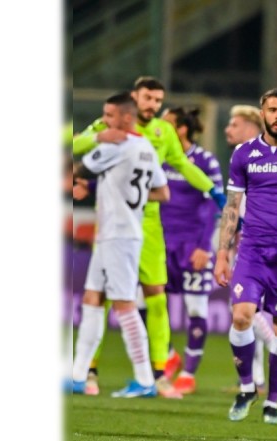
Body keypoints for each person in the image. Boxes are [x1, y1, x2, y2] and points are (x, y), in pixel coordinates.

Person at [73, 76, 227, 398]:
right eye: (147, 99)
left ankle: (156, 376)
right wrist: (102, 136)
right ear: (134, 97)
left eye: (158, 101)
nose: (153, 106)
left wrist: (211, 189)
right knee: (98, 299)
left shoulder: (161, 131)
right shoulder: (112, 124)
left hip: (149, 228)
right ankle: (89, 373)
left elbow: (181, 166)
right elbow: (79, 144)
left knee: (154, 298)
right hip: (115, 224)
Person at [213, 88, 277, 425]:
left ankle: (272, 402)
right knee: (241, 315)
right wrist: (222, 253)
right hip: (252, 251)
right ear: (263, 113)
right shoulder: (244, 154)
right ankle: (246, 388)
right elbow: (232, 207)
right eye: (273, 109)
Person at [70, 92, 170, 398]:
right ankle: (77, 376)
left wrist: (99, 137)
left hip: (118, 236)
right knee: (92, 299)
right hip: (117, 233)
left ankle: (144, 380)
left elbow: (77, 169)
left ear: (126, 118)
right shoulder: (145, 147)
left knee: (124, 305)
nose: (105, 122)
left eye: (110, 116)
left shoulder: (118, 144)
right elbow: (162, 192)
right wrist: (127, 196)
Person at [213, 104, 277, 396]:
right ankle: (257, 379)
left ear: (250, 127)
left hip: (260, 243)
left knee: (246, 308)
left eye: (234, 124)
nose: (227, 129)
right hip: (263, 240)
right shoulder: (249, 155)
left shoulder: (250, 156)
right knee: (250, 309)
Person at [154, 106, 223, 395]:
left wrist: (204, 246)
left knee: (196, 307)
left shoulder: (205, 161)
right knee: (147, 302)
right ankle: (168, 354)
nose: (159, 126)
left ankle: (188, 373)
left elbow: (212, 205)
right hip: (159, 243)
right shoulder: (158, 157)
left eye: (167, 122)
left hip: (191, 245)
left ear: (181, 129)